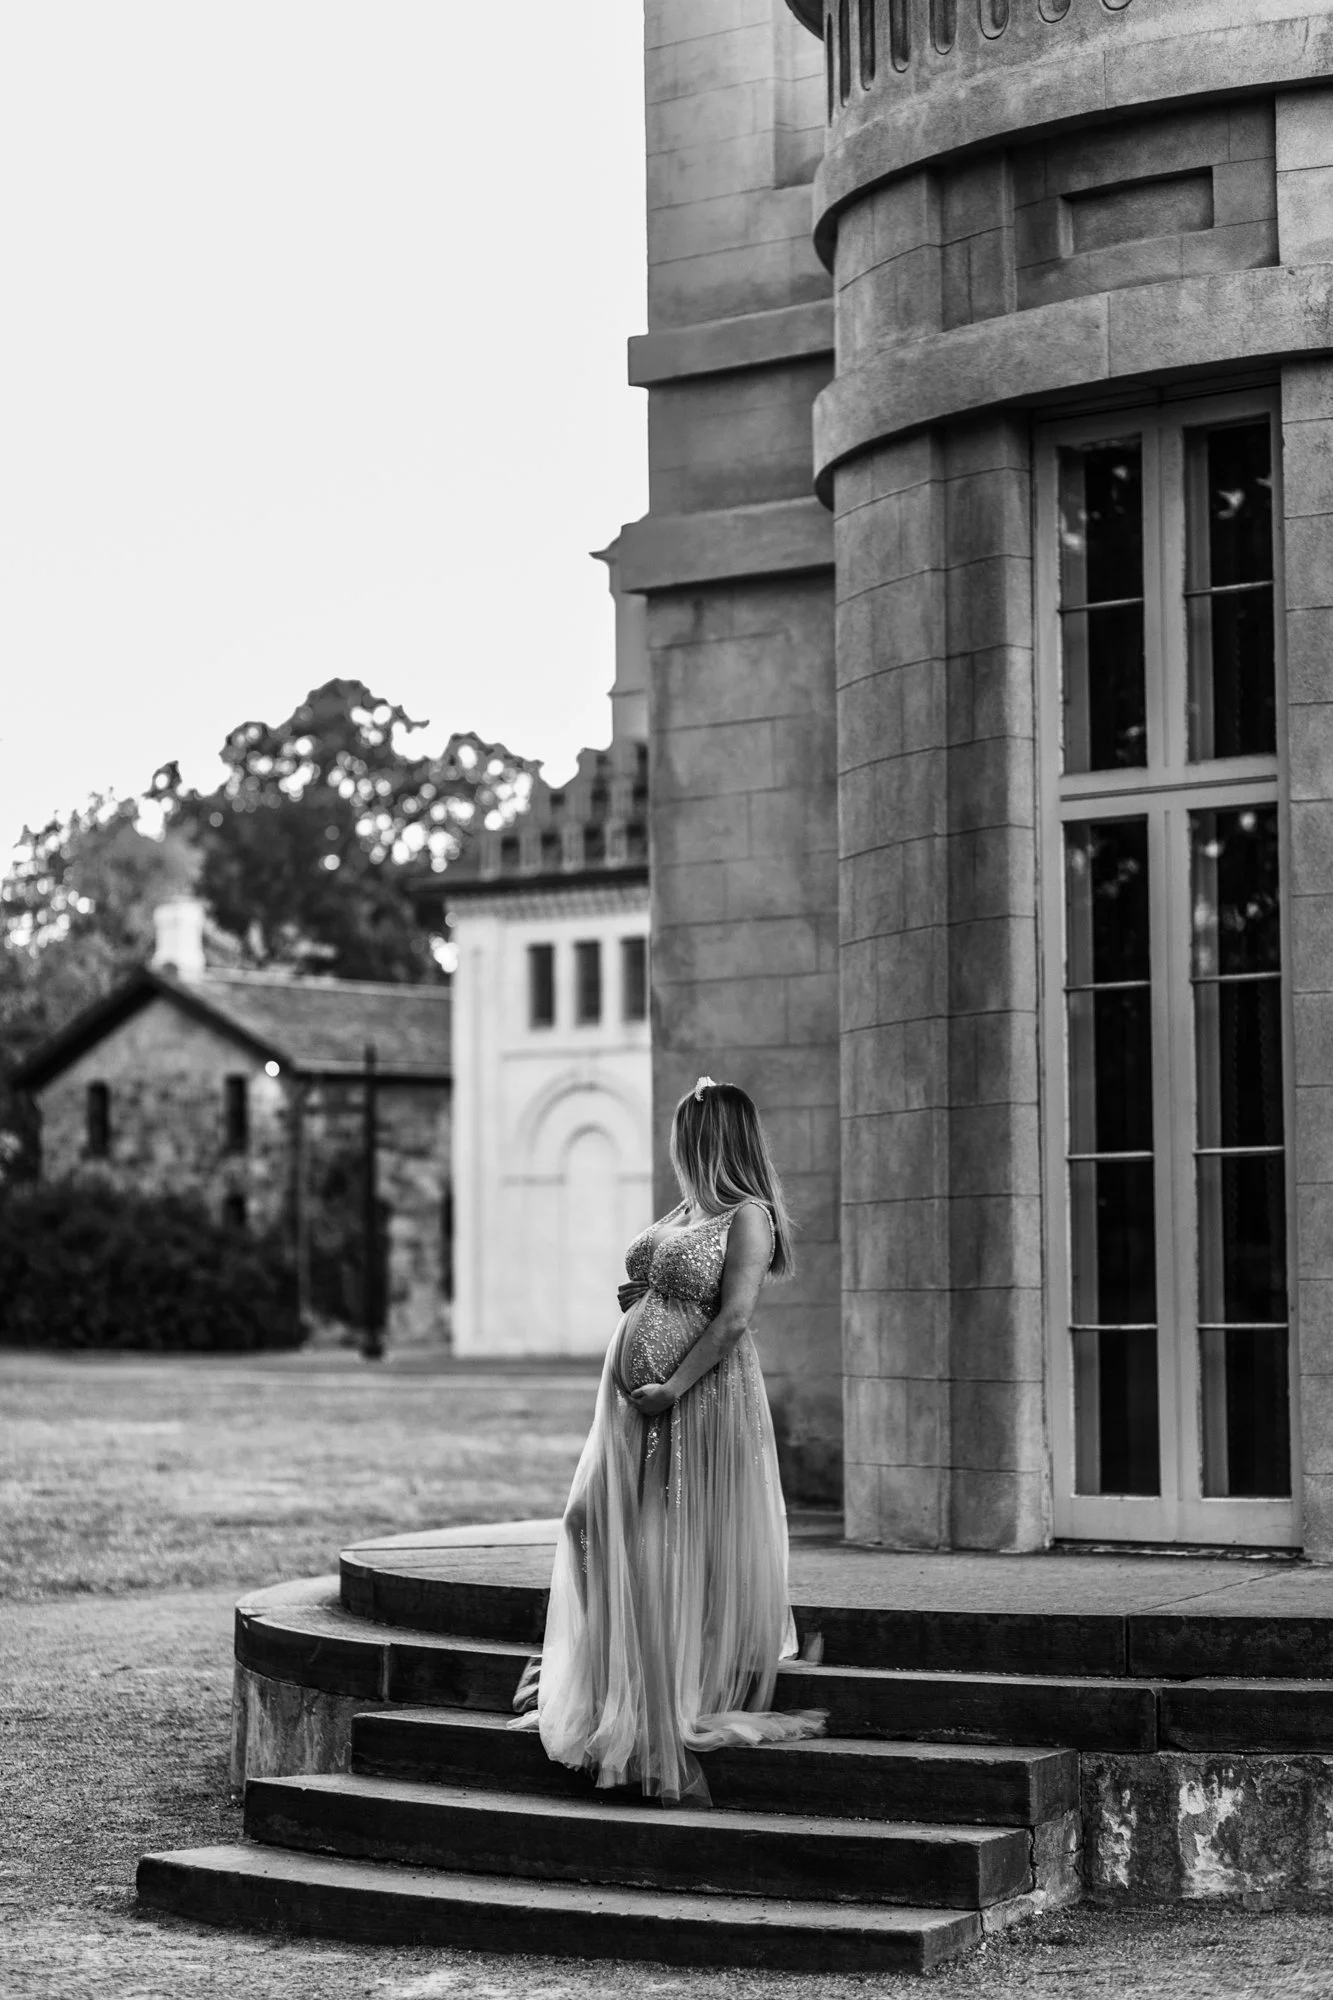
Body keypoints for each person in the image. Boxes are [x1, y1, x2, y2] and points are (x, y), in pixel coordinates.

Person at [511, 1076, 825, 1804]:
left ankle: (660, 1700)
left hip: (694, 1404)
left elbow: (735, 1318)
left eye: (688, 1130)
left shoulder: (749, 1216)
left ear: (714, 1137)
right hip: (632, 1407)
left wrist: (672, 1387)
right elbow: (673, 1290)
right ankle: (612, 1685)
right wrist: (642, 1303)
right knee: (589, 1525)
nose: (676, 1143)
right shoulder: (689, 1210)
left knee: (665, 1544)